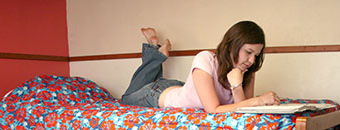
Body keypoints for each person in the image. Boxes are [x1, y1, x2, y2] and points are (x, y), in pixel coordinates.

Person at [120, 21, 281, 113]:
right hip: (158, 94)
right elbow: (213, 109)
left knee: (139, 88)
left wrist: (237, 85)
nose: (252, 60)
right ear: (233, 45)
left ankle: (155, 50)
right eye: (248, 52)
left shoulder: (247, 71)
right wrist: (259, 100)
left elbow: (243, 112)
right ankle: (154, 49)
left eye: (257, 55)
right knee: (125, 99)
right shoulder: (205, 58)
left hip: (183, 88)